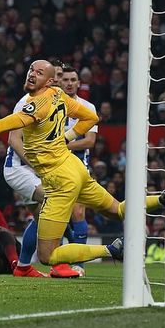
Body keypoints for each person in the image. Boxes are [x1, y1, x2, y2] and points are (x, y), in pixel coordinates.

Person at [0, 59, 165, 267]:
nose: (32, 74)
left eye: (39, 72)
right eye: (31, 69)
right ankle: (162, 198)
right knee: (119, 210)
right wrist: (68, 137)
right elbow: (92, 117)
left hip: (60, 180)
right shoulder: (59, 95)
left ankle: (111, 249)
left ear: (49, 80)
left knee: (48, 255)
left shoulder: (34, 106)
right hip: (75, 168)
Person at [3, 60, 76, 278]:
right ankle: (60, 263)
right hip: (19, 168)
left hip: (35, 171)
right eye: (59, 76)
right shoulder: (27, 102)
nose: (62, 80)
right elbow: (13, 139)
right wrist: (39, 164)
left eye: (64, 76)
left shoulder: (55, 102)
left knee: (40, 219)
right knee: (57, 203)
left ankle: (23, 266)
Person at [60, 65, 98, 276]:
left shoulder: (88, 107)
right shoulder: (49, 105)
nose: (69, 83)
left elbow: (90, 141)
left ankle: (79, 264)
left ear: (78, 82)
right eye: (65, 79)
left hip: (77, 166)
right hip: (52, 165)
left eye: (73, 79)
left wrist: (62, 145)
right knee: (54, 215)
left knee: (78, 212)